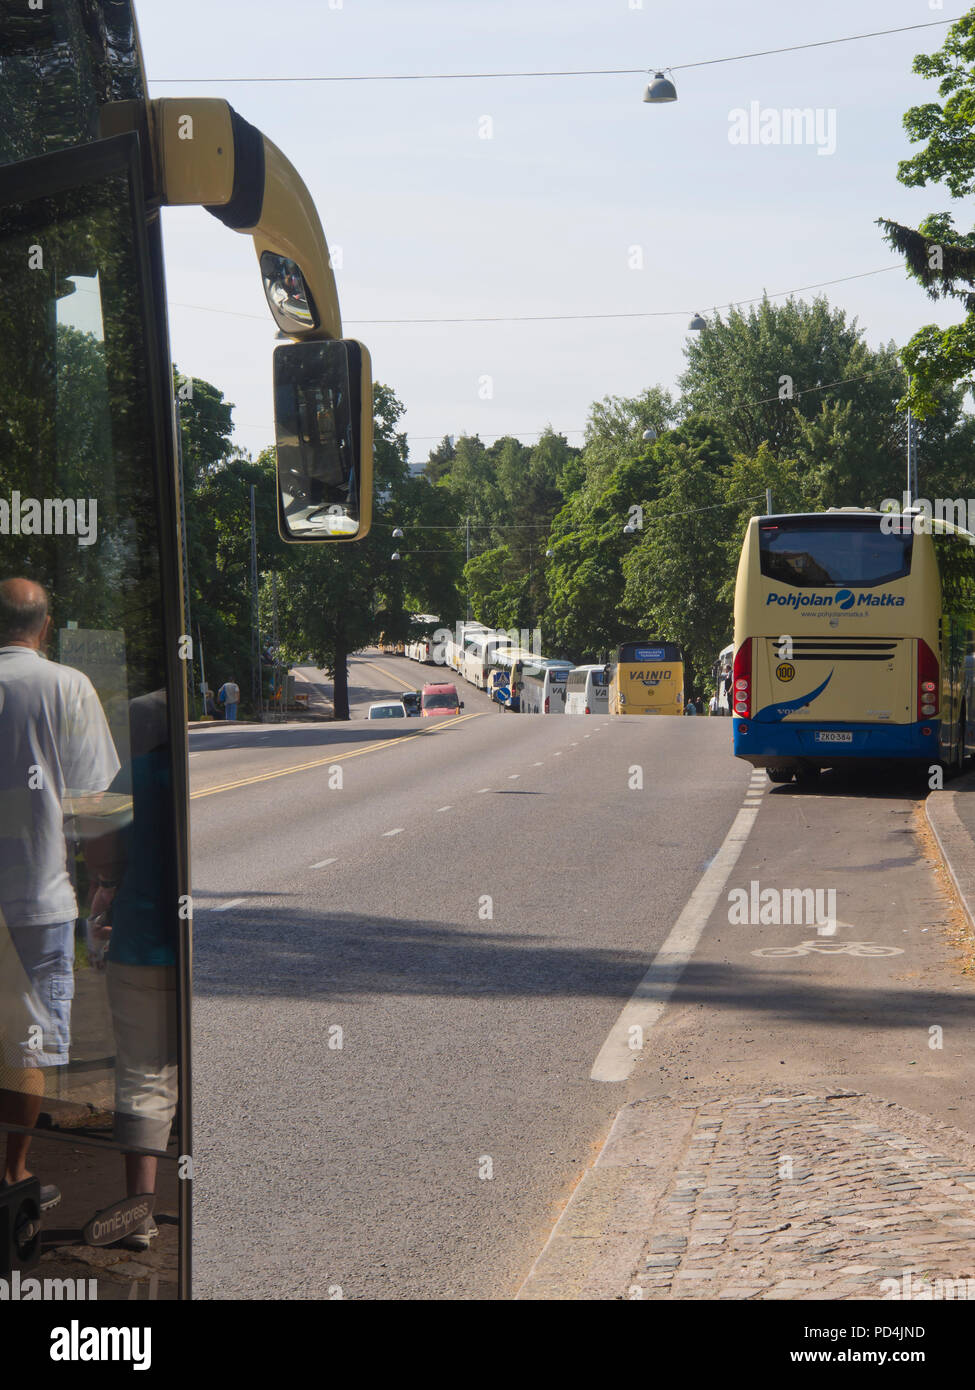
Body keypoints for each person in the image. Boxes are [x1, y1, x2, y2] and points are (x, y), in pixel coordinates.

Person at [0, 578, 120, 1212]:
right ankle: (14, 1173)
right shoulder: (68, 686)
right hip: (39, 899)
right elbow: (94, 806)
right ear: (44, 627)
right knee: (23, 1042)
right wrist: (106, 881)